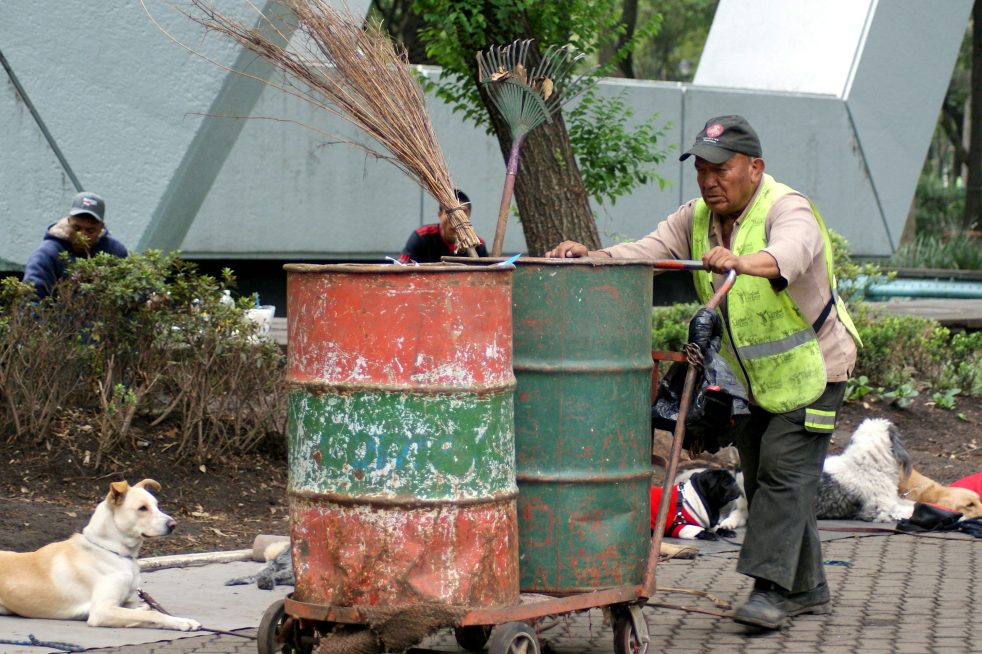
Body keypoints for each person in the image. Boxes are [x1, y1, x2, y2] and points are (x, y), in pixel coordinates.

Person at [546, 115, 863, 630]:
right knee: (764, 477)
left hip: (816, 368)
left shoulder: (787, 207)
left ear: (754, 167)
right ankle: (807, 588)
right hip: (759, 380)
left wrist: (744, 259)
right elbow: (649, 250)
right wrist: (595, 256)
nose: (710, 179)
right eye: (702, 169)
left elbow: (793, 251)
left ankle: (771, 592)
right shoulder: (695, 218)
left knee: (784, 472)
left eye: (722, 168)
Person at [23, 191, 128, 299]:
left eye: (90, 230)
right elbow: (31, 301)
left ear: (101, 228)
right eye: (76, 228)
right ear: (68, 222)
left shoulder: (115, 252)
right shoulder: (47, 254)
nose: (82, 235)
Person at [399, 189, 488, 263]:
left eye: (462, 214)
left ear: (469, 217)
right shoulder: (421, 237)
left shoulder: (478, 245)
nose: (455, 221)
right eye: (450, 213)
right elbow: (401, 268)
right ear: (439, 214)